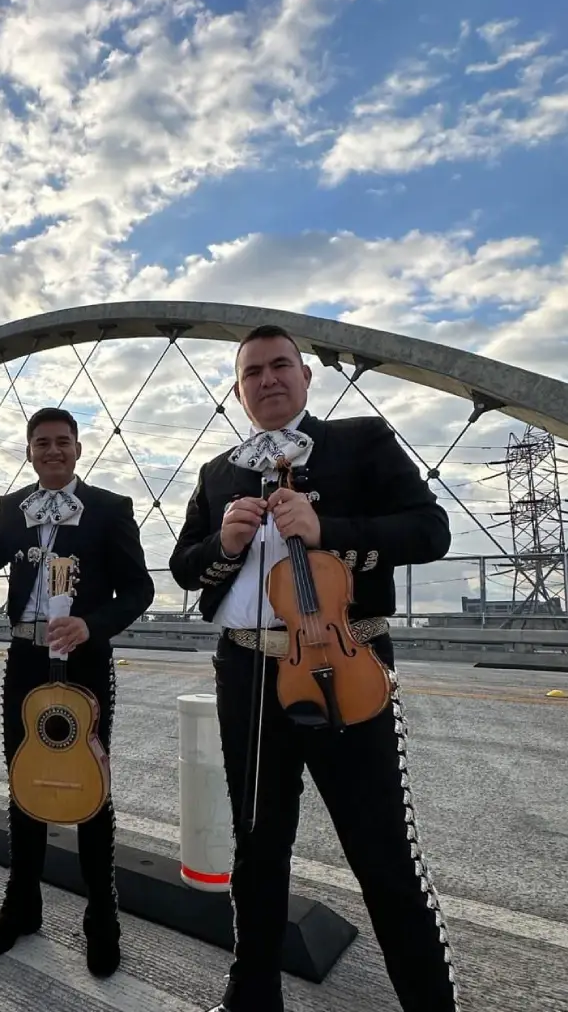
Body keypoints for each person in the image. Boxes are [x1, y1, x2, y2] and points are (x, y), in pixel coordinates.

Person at [168, 324, 457, 1012]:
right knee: (257, 848)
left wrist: (331, 532)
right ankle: (252, 999)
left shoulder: (359, 441)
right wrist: (225, 541)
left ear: (305, 376)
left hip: (345, 665)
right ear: (237, 390)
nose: (267, 381)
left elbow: (431, 530)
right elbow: (184, 566)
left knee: (382, 852)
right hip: (247, 672)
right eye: (251, 374)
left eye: (279, 367)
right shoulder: (219, 473)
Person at [0, 407, 155, 978]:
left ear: (77, 448)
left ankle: (102, 920)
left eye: (61, 442)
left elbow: (139, 588)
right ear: (29, 452)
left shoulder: (109, 509)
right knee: (25, 781)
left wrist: (93, 623)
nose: (52, 450)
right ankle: (22, 908)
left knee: (91, 789)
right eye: (41, 443)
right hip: (24, 657)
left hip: (86, 661)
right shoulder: (11, 510)